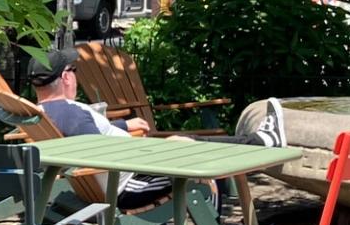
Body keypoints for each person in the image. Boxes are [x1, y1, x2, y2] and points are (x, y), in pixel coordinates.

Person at [25, 44, 286, 209]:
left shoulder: (43, 114)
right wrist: (153, 150)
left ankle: (261, 141)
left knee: (188, 141)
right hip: (128, 185)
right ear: (66, 77)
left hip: (106, 181)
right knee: (196, 157)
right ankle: (262, 143)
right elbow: (99, 154)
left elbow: (87, 139)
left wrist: (122, 126)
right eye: (74, 71)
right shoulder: (74, 113)